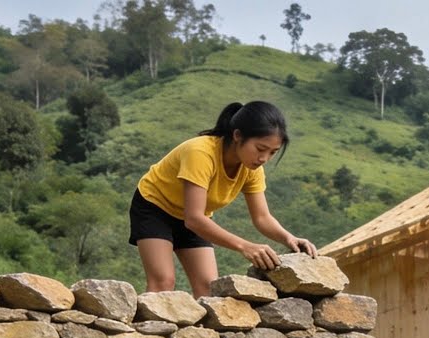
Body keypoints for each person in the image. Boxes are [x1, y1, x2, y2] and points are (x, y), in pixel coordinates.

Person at [129, 100, 316, 296]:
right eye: (260, 149)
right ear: (237, 136)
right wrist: (245, 246)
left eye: (272, 152)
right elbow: (194, 219)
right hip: (155, 207)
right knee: (163, 282)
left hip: (195, 219)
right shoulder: (200, 153)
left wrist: (289, 238)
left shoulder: (252, 169)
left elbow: (262, 217)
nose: (264, 158)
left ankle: (199, 328)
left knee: (209, 289)